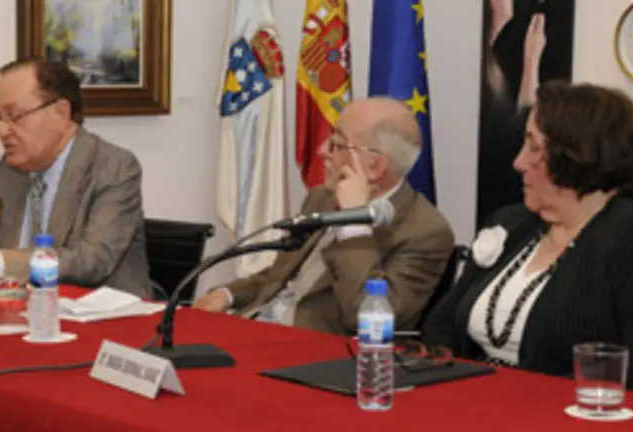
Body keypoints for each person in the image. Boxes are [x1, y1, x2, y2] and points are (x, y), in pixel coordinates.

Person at [423, 81, 633, 395]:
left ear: (578, 154)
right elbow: (440, 326)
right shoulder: (511, 224)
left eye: (534, 147)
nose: (518, 162)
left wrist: (516, 397)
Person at [194, 97, 454, 335]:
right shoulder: (322, 199)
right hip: (256, 329)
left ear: (375, 166)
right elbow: (279, 276)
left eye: (337, 144)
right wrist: (226, 295)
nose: (321, 151)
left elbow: (367, 318)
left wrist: (353, 223)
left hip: (314, 355)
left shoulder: (425, 232)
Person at [0, 58, 152, 298]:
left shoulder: (113, 166)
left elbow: (91, 260)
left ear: (60, 113)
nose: (2, 131)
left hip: (106, 317)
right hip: (21, 312)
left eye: (14, 116)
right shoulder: (11, 170)